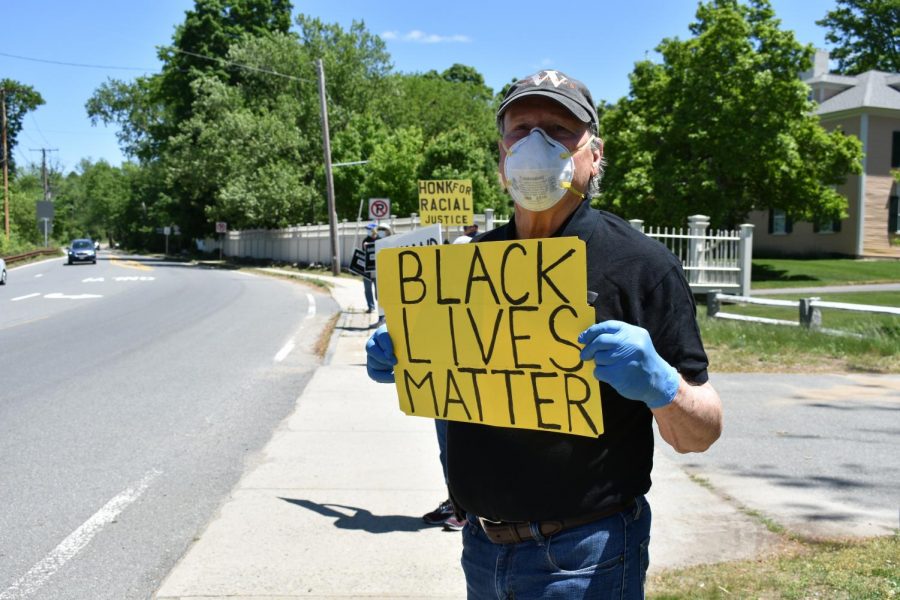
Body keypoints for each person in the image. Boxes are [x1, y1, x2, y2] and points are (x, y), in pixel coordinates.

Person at [365, 69, 723, 599]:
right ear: (502, 157)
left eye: (558, 130)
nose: (536, 142)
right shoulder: (466, 266)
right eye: (520, 129)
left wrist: (661, 384)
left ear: (594, 155)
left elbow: (701, 433)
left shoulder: (641, 266)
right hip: (481, 547)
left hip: (587, 555)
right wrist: (410, 349)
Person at [360, 224, 378, 313]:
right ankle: (371, 307)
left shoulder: (380, 239)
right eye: (367, 229)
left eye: (369, 229)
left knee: (378, 290)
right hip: (367, 270)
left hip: (378, 270)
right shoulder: (365, 240)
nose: (368, 231)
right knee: (367, 289)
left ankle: (381, 308)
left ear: (374, 230)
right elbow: (363, 254)